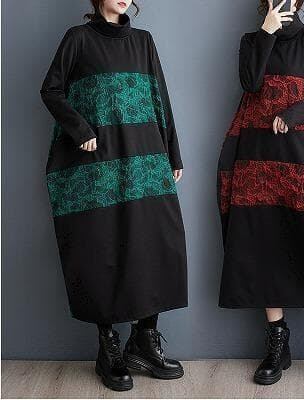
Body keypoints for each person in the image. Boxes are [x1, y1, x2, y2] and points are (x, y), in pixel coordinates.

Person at [40, 0, 187, 391]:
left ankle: (144, 340)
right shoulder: (78, 38)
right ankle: (108, 349)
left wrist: (172, 152)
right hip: (99, 165)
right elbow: (51, 90)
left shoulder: (143, 40)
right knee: (101, 246)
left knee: (155, 244)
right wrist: (80, 129)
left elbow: (159, 97)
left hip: (145, 158)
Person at [217, 0, 304, 392]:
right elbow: (250, 84)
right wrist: (265, 33)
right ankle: (278, 344)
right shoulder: (251, 41)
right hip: (258, 159)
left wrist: (293, 114)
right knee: (264, 244)